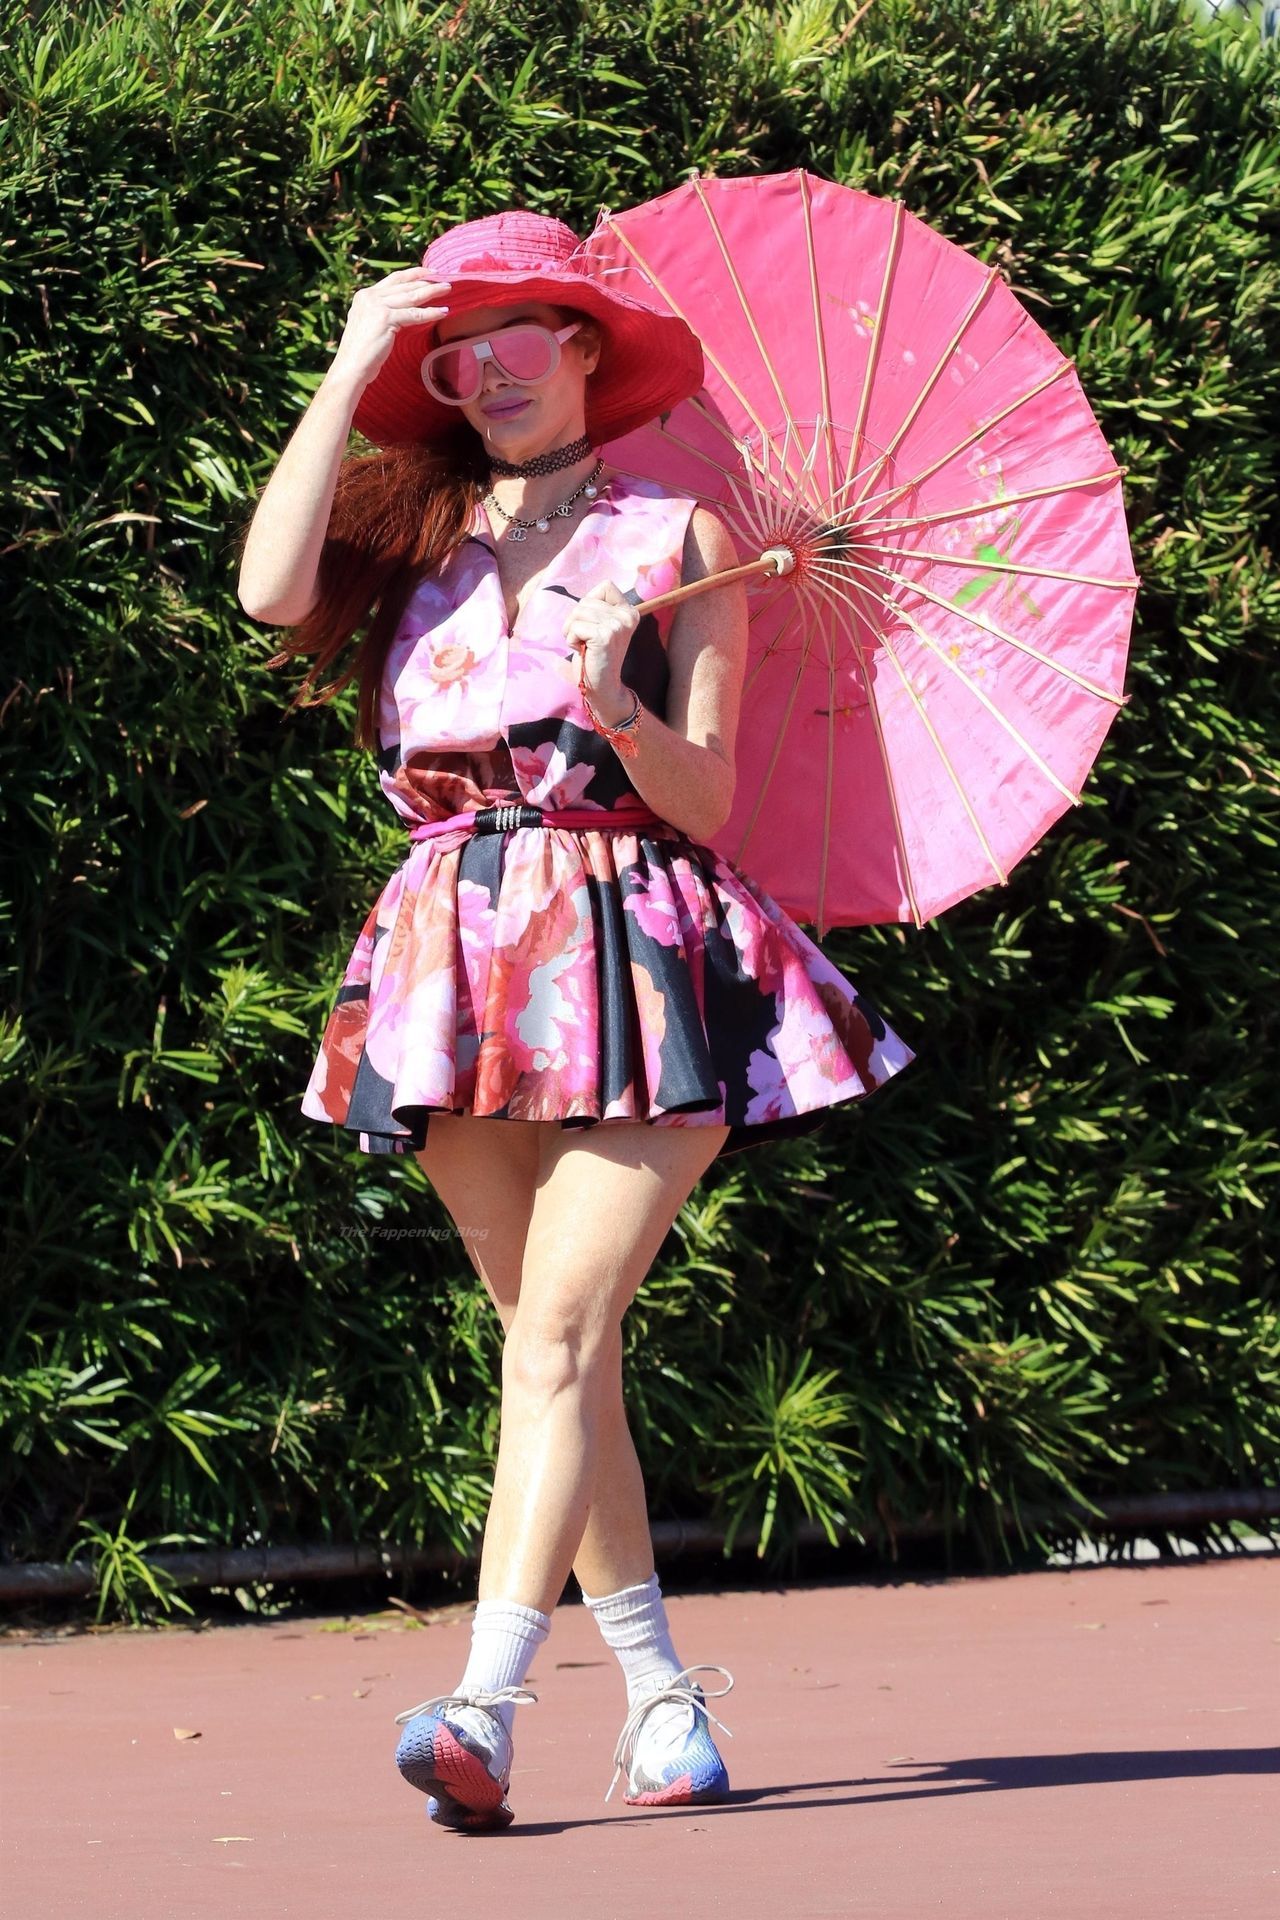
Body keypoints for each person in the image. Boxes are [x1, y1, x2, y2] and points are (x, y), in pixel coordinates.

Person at [236, 210, 916, 1832]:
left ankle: (483, 1700)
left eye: (516, 339)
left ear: (588, 348)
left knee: (555, 1337)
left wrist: (619, 706)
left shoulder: (683, 538)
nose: (483, 375)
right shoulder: (416, 529)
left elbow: (709, 794)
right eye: (450, 357)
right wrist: (352, 356)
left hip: (639, 947)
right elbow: (268, 591)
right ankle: (667, 1705)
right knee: (554, 1349)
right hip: (456, 952)